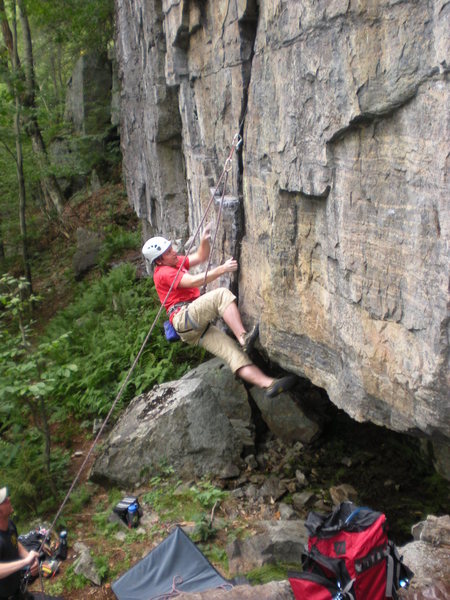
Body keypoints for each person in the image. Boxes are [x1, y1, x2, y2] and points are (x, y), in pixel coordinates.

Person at [142, 224, 297, 397]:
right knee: (221, 295)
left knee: (232, 352)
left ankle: (269, 384)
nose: (173, 251)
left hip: (191, 328)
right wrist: (221, 269)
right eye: (168, 251)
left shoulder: (174, 261)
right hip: (183, 317)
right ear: (159, 260)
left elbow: (201, 256)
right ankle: (243, 338)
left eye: (170, 248)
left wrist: (204, 240)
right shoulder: (163, 272)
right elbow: (192, 281)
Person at [0, 487, 39, 600]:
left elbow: (15, 543)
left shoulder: (10, 524)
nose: (9, 499)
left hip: (18, 591)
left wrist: (29, 558)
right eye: (5, 500)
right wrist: (25, 562)